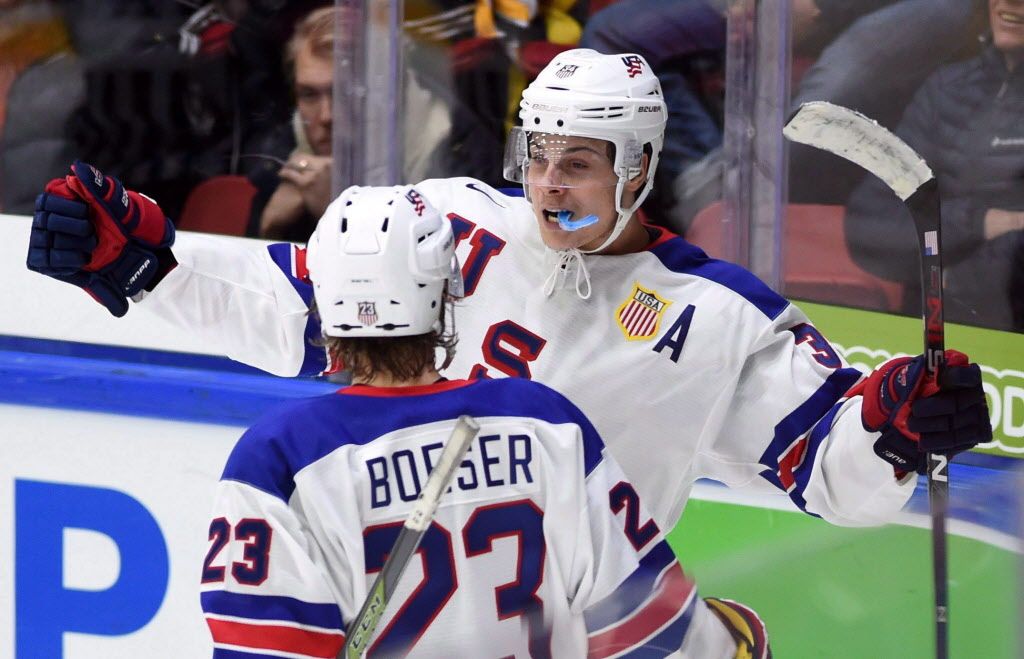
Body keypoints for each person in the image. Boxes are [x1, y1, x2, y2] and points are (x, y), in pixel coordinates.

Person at [28, 49, 991, 655]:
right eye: (537, 154)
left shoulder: (719, 318)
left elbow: (837, 480)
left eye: (579, 162)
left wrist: (891, 425)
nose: (548, 184)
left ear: (641, 168)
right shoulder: (451, 225)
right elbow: (293, 305)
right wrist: (150, 266)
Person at [198, 184, 758, 657]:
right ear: (448, 289)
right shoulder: (542, 420)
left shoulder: (282, 456)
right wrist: (731, 641)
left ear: (322, 293)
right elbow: (648, 628)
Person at [845, 0, 1024, 331]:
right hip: (935, 338)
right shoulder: (948, 89)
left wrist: (957, 274)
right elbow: (869, 222)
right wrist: (978, 222)